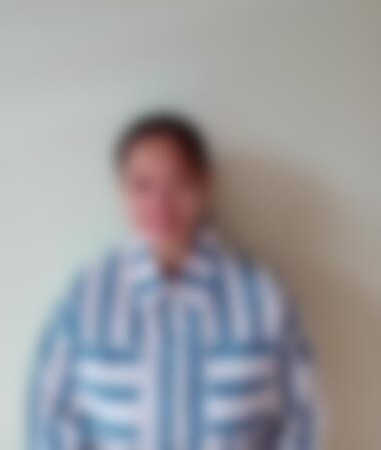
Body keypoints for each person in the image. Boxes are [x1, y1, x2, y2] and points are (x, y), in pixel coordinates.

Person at [28, 113, 317, 449]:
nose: (160, 203)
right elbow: (48, 415)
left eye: (179, 182)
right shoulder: (86, 299)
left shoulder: (263, 298)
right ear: (122, 190)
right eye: (142, 185)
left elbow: (303, 416)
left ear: (205, 185)